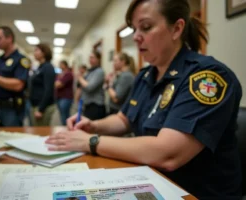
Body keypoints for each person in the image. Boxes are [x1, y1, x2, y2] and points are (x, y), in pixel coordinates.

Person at [46, 0, 243, 199]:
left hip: (196, 194)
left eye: (146, 27)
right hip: (152, 181)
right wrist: (93, 126)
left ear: (176, 29)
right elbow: (124, 119)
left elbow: (168, 153)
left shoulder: (206, 77)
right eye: (134, 29)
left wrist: (91, 141)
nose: (136, 37)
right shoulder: (145, 75)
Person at [29, 43, 56, 126]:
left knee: (40, 134)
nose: (34, 53)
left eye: (37, 50)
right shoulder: (40, 67)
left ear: (44, 53)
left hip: (43, 107)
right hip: (36, 104)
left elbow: (48, 89)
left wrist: (41, 109)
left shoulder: (48, 67)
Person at [77, 51, 106, 120]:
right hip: (87, 105)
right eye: (90, 57)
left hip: (95, 106)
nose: (90, 59)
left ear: (98, 59)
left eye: (92, 57)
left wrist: (80, 77)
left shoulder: (99, 71)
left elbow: (89, 87)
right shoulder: (90, 71)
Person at [55, 60, 74, 125]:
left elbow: (59, 85)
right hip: (60, 97)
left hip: (66, 98)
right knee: (62, 114)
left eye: (61, 64)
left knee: (65, 115)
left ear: (65, 65)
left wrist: (57, 82)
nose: (60, 66)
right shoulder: (60, 74)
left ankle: (67, 128)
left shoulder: (68, 74)